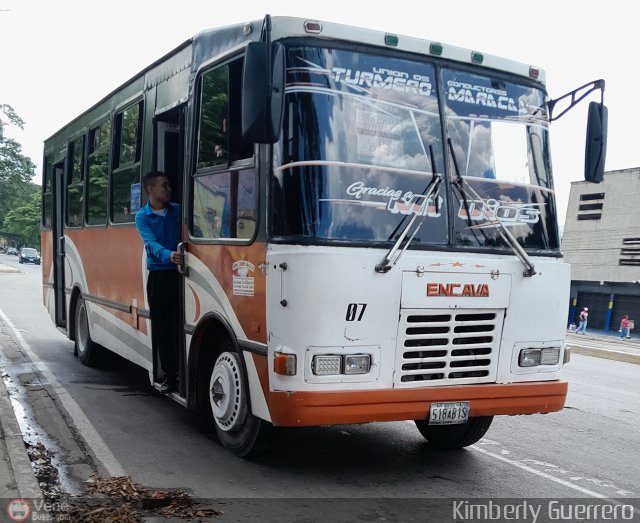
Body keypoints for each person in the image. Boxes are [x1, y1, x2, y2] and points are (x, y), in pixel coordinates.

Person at [135, 171, 183, 394]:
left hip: (181, 274)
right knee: (163, 328)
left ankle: (182, 373)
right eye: (164, 185)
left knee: (179, 326)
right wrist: (169, 255)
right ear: (150, 189)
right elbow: (150, 244)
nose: (169, 189)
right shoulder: (142, 217)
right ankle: (170, 378)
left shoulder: (178, 210)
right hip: (159, 275)